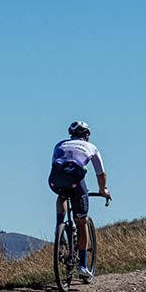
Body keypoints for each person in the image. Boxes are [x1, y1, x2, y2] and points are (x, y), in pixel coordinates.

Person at [49, 120, 109, 282]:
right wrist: (103, 190)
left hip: (54, 181)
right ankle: (82, 266)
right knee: (81, 222)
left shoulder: (59, 144)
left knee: (62, 195)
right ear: (87, 135)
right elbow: (101, 174)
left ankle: (59, 227)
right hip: (76, 182)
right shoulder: (91, 147)